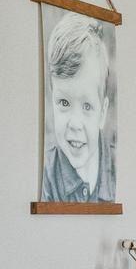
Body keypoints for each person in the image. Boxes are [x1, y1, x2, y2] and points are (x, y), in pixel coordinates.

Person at [42, 12, 115, 204]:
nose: (75, 124)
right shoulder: (46, 175)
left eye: (87, 106)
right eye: (64, 103)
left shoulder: (116, 168)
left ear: (102, 113)